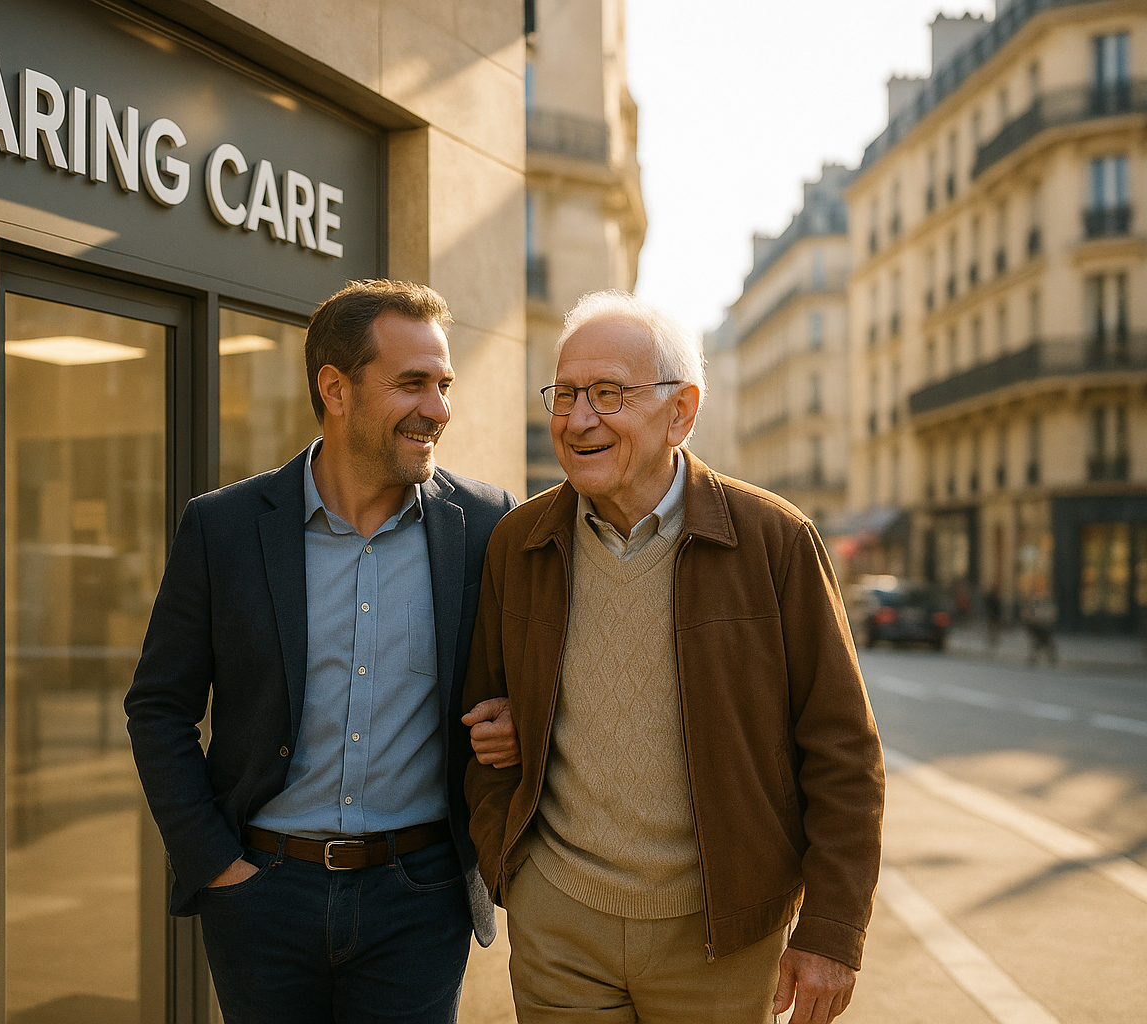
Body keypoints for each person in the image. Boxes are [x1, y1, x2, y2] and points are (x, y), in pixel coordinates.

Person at [462, 291, 885, 1024]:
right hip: (560, 925)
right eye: (565, 394)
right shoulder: (518, 542)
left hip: (723, 938)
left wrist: (832, 929)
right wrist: (513, 871)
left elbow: (843, 751)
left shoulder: (775, 541)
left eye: (608, 394)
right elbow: (484, 717)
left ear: (680, 412)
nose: (578, 419)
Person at [125, 279, 518, 1023]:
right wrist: (216, 865)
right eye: (412, 383)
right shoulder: (224, 528)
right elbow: (158, 708)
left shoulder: (487, 524)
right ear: (335, 389)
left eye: (443, 385)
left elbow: (534, 674)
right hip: (263, 897)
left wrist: (516, 718)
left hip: (420, 900)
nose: (438, 408)